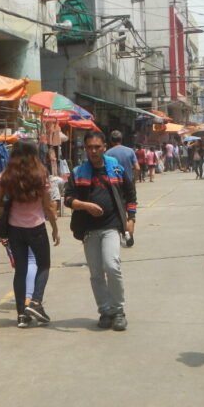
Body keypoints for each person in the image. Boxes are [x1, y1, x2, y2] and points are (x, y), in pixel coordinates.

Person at [65, 130, 137, 331]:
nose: (94, 151)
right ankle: (105, 311)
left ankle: (119, 310)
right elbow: (68, 199)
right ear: (85, 149)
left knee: (111, 266)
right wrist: (85, 206)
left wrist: (131, 219)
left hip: (112, 226)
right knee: (96, 273)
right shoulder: (78, 172)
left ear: (104, 147)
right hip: (88, 230)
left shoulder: (116, 169)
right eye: (90, 147)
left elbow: (130, 195)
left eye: (97, 147)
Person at [0, 140, 60, 328]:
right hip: (37, 228)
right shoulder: (41, 175)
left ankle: (21, 315)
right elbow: (47, 206)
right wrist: (55, 228)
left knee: (20, 271)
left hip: (15, 228)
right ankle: (36, 302)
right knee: (44, 265)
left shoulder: (5, 176)